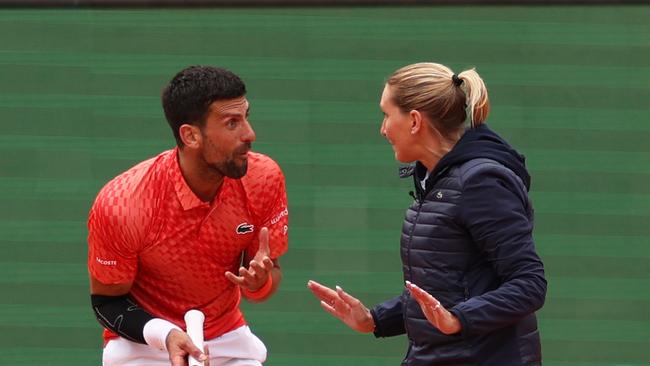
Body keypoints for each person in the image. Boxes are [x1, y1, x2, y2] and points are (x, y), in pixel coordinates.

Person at [308, 62, 547, 366]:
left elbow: (529, 283)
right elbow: (442, 290)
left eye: (386, 114)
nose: (383, 129)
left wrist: (458, 319)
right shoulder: (435, 183)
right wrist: (374, 320)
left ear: (415, 121)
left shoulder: (479, 183)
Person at [87, 65, 289, 366]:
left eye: (246, 116)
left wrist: (259, 282)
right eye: (232, 123)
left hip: (228, 342)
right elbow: (107, 302)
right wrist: (165, 333)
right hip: (143, 346)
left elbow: (266, 280)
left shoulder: (263, 178)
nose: (250, 134)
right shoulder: (124, 203)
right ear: (191, 135)